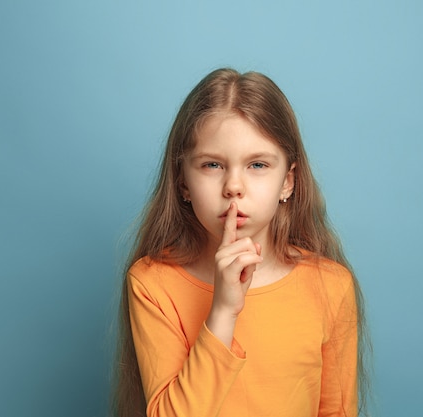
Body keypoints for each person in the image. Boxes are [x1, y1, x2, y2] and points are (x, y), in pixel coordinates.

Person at [113, 68, 370, 417]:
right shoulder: (152, 283)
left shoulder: (331, 286)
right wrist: (223, 310)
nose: (233, 186)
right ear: (183, 183)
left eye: (258, 164)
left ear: (288, 183)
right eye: (213, 164)